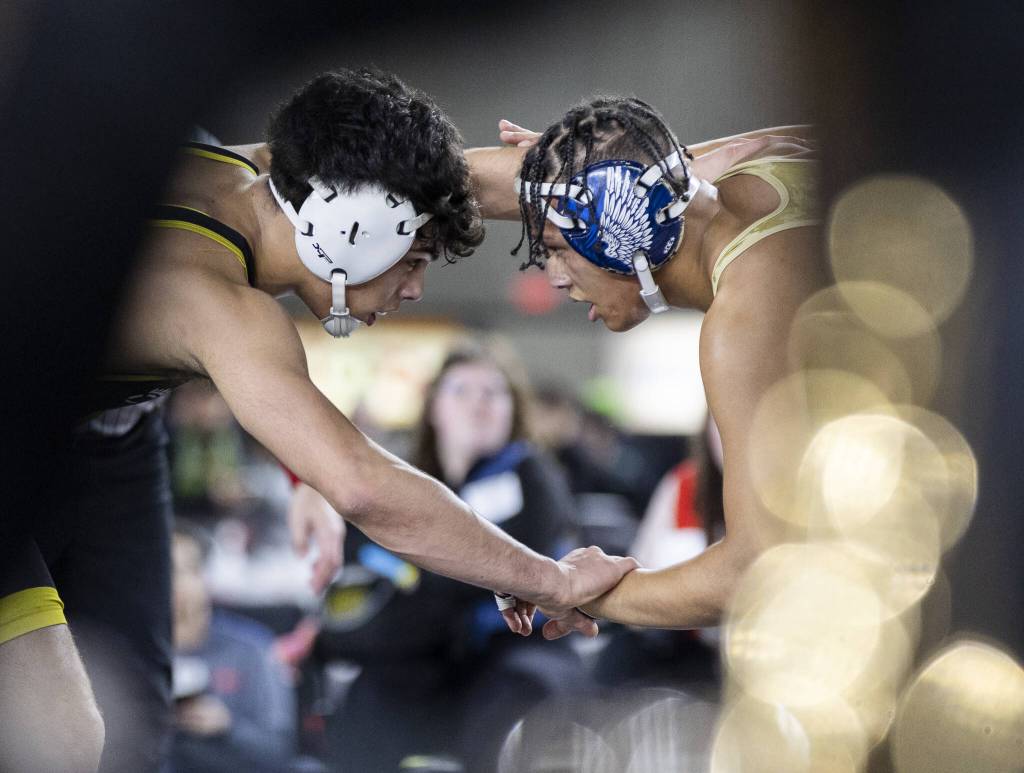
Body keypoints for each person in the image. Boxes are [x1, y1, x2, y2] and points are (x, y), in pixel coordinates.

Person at [0, 70, 636, 772]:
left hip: (100, 427)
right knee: (63, 736)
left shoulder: (270, 170)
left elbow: (462, 177)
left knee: (133, 735)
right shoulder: (216, 302)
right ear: (350, 231)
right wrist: (549, 580)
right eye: (414, 259)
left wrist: (677, 179)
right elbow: (364, 486)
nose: (416, 288)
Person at [467, 101, 822, 634]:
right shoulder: (766, 162)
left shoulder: (746, 320)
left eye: (559, 248)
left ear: (621, 232)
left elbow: (756, 571)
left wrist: (576, 591)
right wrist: (586, 168)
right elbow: (471, 182)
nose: (555, 277)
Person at [326, 340, 587, 771]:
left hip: (517, 645)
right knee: (371, 697)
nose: (478, 404)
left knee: (513, 695)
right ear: (434, 408)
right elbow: (366, 556)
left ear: (512, 409)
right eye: (461, 391)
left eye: (493, 393)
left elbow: (477, 579)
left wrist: (411, 586)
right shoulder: (413, 483)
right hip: (434, 649)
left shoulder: (530, 476)